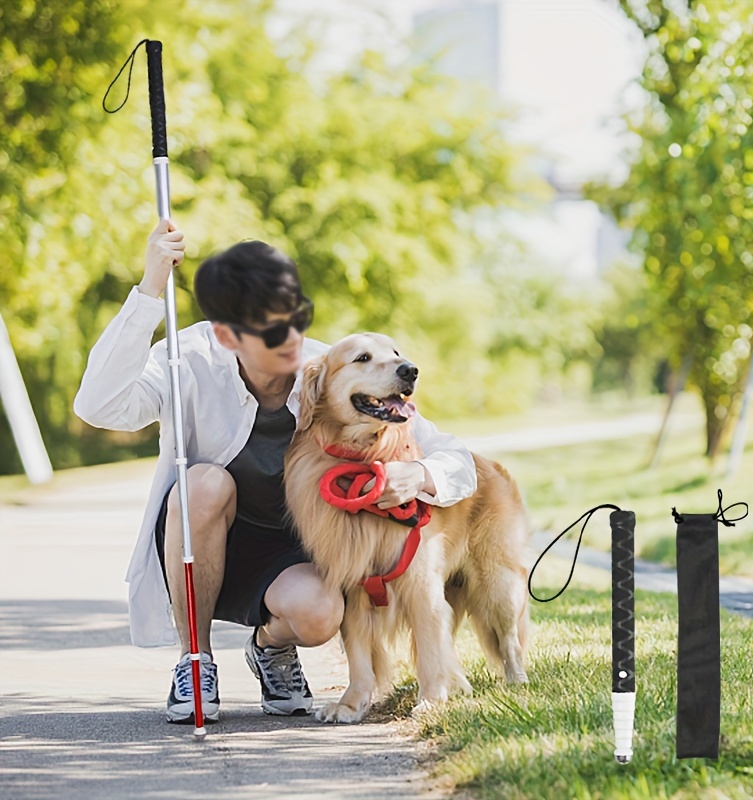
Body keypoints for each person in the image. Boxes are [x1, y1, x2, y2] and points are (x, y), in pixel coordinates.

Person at [73, 219, 478, 724]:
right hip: (202, 536)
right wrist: (151, 288)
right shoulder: (187, 359)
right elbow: (99, 406)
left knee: (318, 614)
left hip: (290, 550)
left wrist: (418, 475)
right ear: (227, 332)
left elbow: (453, 456)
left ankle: (269, 647)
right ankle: (195, 660)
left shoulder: (328, 371)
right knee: (205, 483)